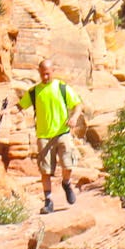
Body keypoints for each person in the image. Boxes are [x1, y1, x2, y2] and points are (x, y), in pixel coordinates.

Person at [19, 58, 82, 214]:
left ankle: (66, 183)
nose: (45, 77)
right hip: (43, 136)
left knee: (68, 165)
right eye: (42, 74)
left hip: (62, 132)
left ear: (53, 71)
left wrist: (74, 117)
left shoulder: (61, 87)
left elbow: (77, 104)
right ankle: (48, 201)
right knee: (45, 170)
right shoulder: (34, 92)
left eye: (47, 74)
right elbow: (20, 105)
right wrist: (6, 111)